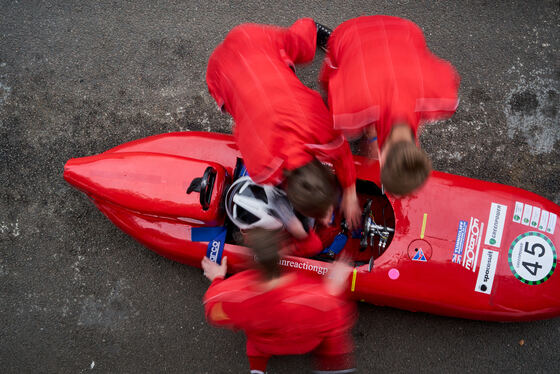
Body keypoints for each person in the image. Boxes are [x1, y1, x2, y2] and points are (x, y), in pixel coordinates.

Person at [206, 18, 361, 229]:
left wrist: (349, 193)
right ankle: (308, 29)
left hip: (240, 53)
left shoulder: (320, 129)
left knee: (302, 47)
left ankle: (310, 29)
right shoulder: (261, 169)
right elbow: (340, 154)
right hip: (232, 60)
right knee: (299, 48)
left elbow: (341, 153)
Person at [318, 16, 460, 195]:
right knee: (332, 75)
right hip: (351, 33)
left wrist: (371, 130)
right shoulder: (347, 113)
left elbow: (448, 74)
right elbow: (330, 83)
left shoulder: (444, 98)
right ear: (381, 158)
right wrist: (369, 134)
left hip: (405, 29)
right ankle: (329, 39)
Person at [201, 228, 356, 373]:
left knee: (256, 348)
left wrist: (217, 279)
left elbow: (212, 312)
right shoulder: (317, 298)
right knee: (327, 334)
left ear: (248, 263)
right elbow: (337, 322)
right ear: (282, 254)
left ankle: (257, 369)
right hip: (303, 343)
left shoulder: (232, 296)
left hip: (264, 343)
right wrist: (334, 286)